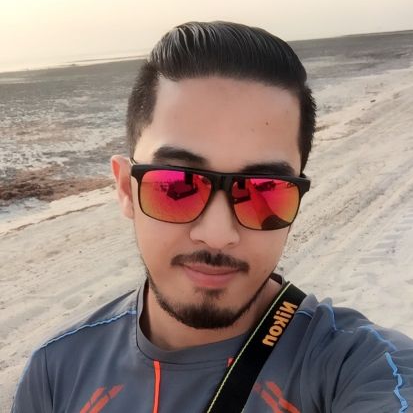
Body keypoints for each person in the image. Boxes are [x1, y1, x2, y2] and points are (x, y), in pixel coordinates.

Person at [12, 21, 413, 413]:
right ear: (125, 189)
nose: (218, 235)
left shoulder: (356, 366)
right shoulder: (56, 373)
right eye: (177, 185)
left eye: (264, 190)